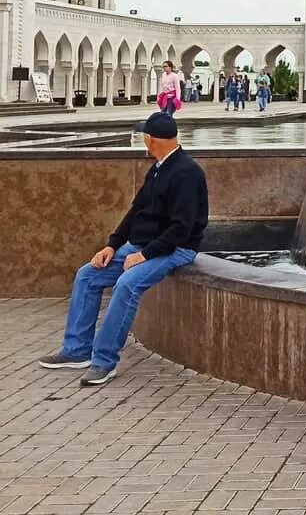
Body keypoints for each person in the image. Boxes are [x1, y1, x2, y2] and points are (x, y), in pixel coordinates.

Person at [38, 112, 207, 386]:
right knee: (88, 275)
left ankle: (104, 361)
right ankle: (76, 351)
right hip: (143, 246)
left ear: (150, 140)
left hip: (174, 249)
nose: (143, 141)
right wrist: (112, 245)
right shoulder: (158, 169)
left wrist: (144, 255)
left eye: (144, 136)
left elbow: (181, 229)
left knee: (127, 284)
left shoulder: (186, 173)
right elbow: (136, 212)